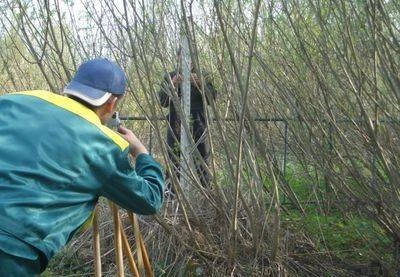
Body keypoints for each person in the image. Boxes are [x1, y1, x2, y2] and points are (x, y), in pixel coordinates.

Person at [0, 58, 165, 275]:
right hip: (13, 248)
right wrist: (141, 152)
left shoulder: (16, 101)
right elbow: (149, 199)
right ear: (112, 102)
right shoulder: (104, 145)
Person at [158, 49, 217, 190]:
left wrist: (201, 84)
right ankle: (170, 195)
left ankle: (208, 194)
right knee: (174, 158)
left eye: (188, 58)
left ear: (192, 60)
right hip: (175, 122)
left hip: (198, 122)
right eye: (181, 57)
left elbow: (212, 99)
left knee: (201, 159)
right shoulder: (170, 76)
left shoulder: (203, 75)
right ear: (177, 58)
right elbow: (163, 101)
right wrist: (173, 84)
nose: (184, 61)